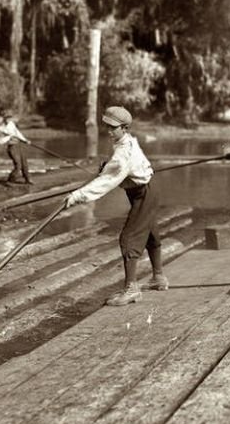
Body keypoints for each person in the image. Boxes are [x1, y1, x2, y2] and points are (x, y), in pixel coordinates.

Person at [63, 106, 168, 307]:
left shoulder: (123, 153)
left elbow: (107, 182)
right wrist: (106, 168)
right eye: (107, 127)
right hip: (149, 189)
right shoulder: (127, 142)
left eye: (113, 127)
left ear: (125, 127)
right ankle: (158, 278)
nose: (109, 131)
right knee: (150, 234)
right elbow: (115, 169)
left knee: (129, 238)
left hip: (143, 194)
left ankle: (131, 289)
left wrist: (77, 196)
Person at [0, 110, 33, 185]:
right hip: (12, 147)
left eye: (10, 118)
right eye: (7, 118)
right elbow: (0, 141)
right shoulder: (1, 128)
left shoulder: (11, 124)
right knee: (18, 165)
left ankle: (27, 179)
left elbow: (18, 134)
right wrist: (9, 137)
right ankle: (10, 180)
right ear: (4, 118)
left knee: (24, 163)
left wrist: (25, 140)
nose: (9, 119)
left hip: (19, 145)